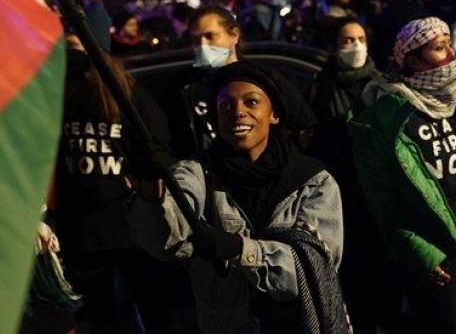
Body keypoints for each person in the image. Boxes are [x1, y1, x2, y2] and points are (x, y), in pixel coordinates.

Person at [129, 61, 348, 334]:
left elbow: (310, 271)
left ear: (274, 114)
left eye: (251, 102)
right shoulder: (199, 173)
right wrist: (152, 188)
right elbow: (164, 241)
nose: (238, 112)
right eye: (226, 105)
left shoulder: (314, 182)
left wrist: (239, 249)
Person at [351, 17, 456, 334]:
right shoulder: (385, 117)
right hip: (428, 235)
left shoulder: (453, 102)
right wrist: (420, 253)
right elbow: (383, 201)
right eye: (438, 48)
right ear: (412, 60)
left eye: (449, 45)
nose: (450, 55)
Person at [54, 12, 175, 333]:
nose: (74, 58)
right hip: (82, 229)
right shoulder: (57, 94)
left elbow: (157, 149)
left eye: (80, 48)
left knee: (151, 307)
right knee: (104, 315)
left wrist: (141, 184)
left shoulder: (126, 93)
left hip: (129, 225)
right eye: (68, 48)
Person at [310, 17, 384, 333]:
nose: (355, 47)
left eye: (360, 39)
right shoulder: (321, 90)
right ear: (334, 47)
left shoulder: (382, 85)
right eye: (346, 41)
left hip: (381, 195)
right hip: (346, 197)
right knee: (357, 280)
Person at [170, 5, 317, 159]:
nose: (203, 46)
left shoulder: (264, 79)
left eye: (210, 36)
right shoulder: (185, 88)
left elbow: (303, 126)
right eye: (196, 40)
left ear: (234, 35)